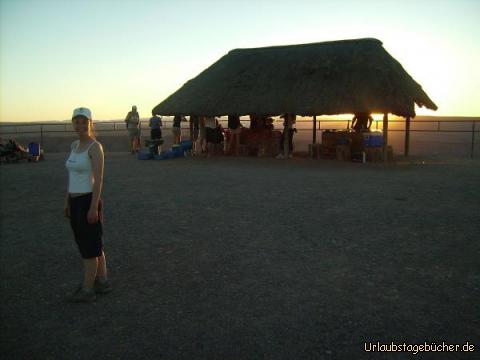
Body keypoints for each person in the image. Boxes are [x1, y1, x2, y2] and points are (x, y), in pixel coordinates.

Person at [64, 107, 111, 303]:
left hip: (88, 200)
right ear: (73, 123)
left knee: (89, 247)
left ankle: (87, 289)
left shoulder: (95, 147)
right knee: (93, 244)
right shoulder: (74, 145)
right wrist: (67, 200)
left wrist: (93, 207)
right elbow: (72, 175)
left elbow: (98, 180)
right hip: (75, 201)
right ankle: (103, 281)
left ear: (90, 124)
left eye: (84, 122)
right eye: (77, 121)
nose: (80, 125)